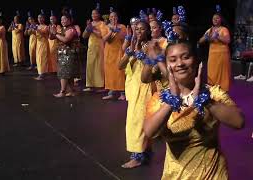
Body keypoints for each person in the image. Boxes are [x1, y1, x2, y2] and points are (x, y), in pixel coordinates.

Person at [144, 40, 244, 179]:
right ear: (167, 66)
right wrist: (172, 100)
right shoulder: (160, 98)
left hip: (212, 174)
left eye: (186, 57)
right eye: (173, 60)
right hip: (175, 175)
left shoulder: (213, 93)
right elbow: (149, 131)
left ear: (196, 61)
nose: (180, 64)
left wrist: (205, 101)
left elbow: (239, 122)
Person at [119, 21, 167, 168]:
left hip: (145, 87)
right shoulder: (132, 45)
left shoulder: (151, 46)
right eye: (136, 28)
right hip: (133, 87)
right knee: (135, 120)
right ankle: (145, 152)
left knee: (137, 121)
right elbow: (120, 66)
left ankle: (138, 156)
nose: (138, 31)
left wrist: (144, 57)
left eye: (142, 29)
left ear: (147, 31)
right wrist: (129, 52)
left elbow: (158, 69)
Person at [198, 8, 231, 91]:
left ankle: (223, 90)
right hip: (212, 55)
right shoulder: (210, 30)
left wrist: (218, 36)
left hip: (222, 55)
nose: (215, 20)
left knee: (222, 73)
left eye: (217, 18)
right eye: (213, 18)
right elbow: (200, 41)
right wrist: (205, 37)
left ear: (221, 20)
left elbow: (227, 40)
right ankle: (212, 89)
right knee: (212, 72)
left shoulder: (224, 29)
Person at [50, 13, 78, 97]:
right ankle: (72, 91)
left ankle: (62, 92)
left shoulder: (71, 29)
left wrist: (55, 34)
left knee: (63, 73)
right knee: (67, 73)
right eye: (61, 19)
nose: (62, 21)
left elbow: (65, 39)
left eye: (64, 19)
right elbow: (51, 38)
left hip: (68, 54)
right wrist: (52, 32)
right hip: (62, 53)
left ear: (70, 20)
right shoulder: (61, 29)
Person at [101, 8, 126, 100]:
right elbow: (104, 39)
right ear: (109, 18)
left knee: (120, 72)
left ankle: (122, 93)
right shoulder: (106, 27)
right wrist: (112, 31)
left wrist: (118, 31)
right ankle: (111, 92)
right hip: (109, 52)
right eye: (111, 16)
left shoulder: (122, 27)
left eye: (115, 16)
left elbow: (125, 38)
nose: (113, 18)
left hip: (119, 51)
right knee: (110, 72)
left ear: (117, 17)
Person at [82, 4, 105, 92]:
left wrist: (92, 29)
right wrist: (88, 28)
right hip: (91, 47)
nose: (93, 15)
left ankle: (100, 85)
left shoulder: (102, 23)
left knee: (99, 66)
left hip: (99, 47)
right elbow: (84, 36)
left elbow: (101, 35)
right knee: (90, 65)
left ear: (99, 15)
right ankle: (90, 85)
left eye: (95, 13)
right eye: (92, 14)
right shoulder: (90, 24)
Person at [34, 10, 50, 80]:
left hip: (43, 44)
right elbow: (30, 33)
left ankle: (42, 74)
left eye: (41, 18)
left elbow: (43, 32)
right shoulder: (38, 26)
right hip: (38, 44)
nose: (39, 19)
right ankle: (40, 73)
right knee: (38, 58)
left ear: (44, 19)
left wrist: (36, 28)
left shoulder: (46, 27)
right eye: (38, 18)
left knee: (42, 58)